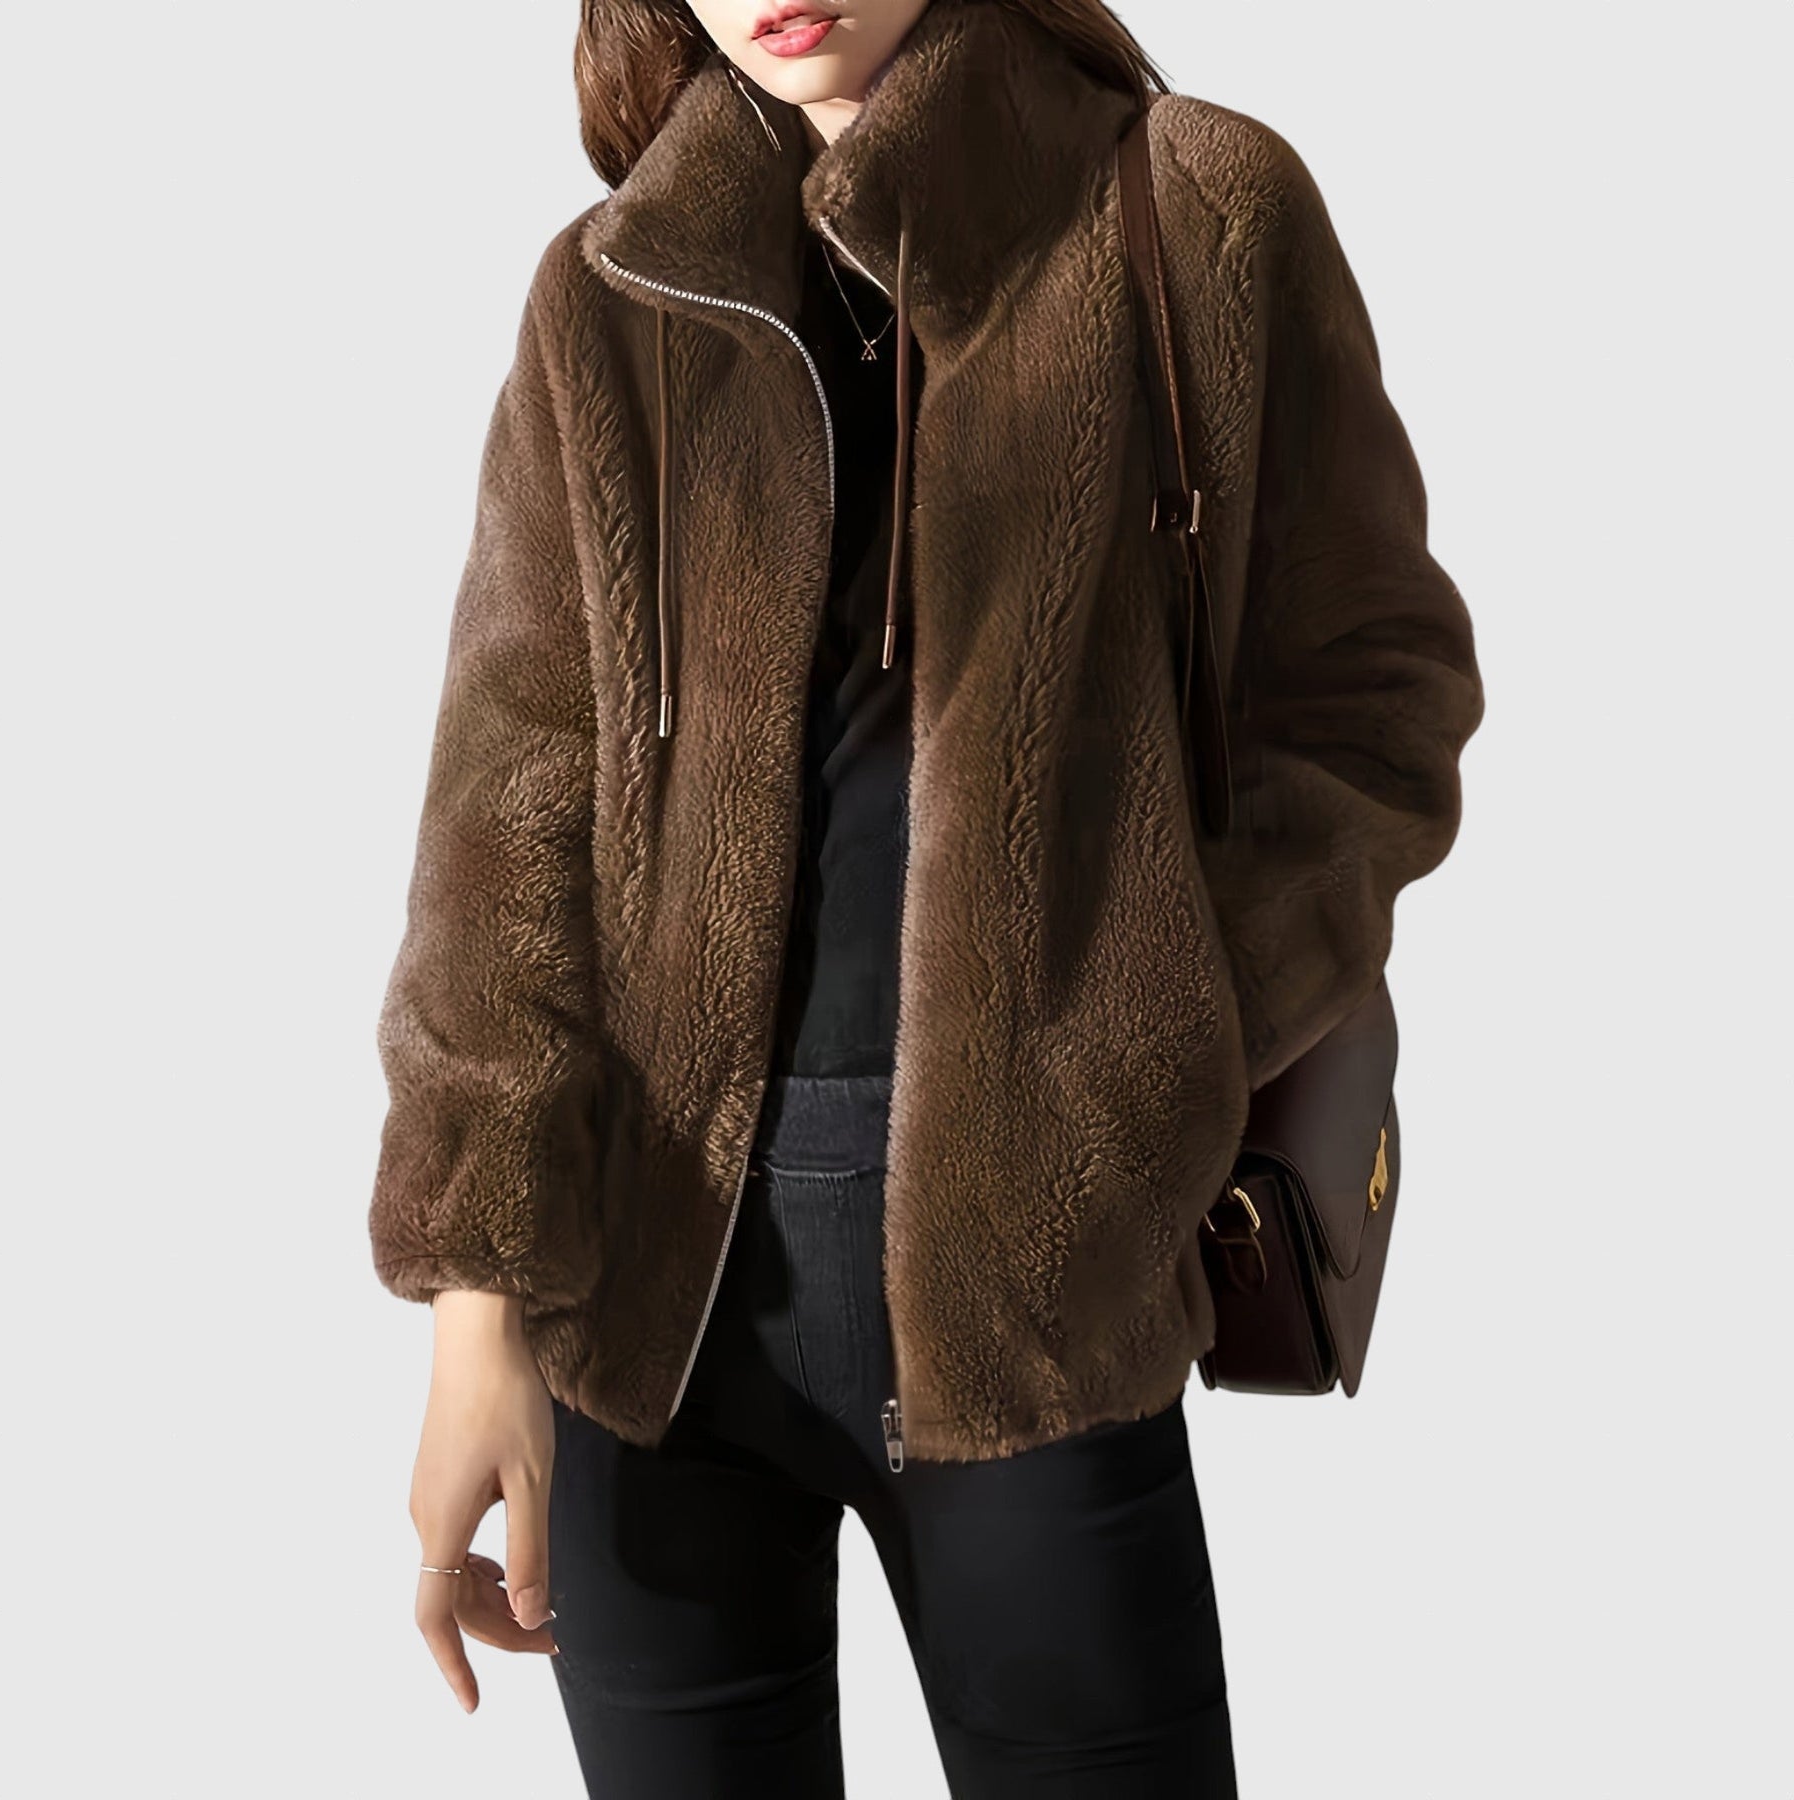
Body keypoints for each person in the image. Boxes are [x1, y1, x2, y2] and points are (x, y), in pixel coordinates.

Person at [368, 0, 1484, 1792]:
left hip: (1035, 1283)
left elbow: (1373, 696)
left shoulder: (1193, 206)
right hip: (649, 1314)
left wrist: (1149, 1043)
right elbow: (507, 824)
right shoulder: (612, 289)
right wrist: (476, 1312)